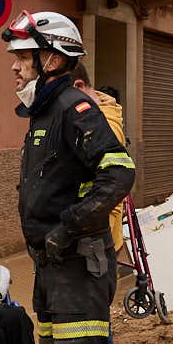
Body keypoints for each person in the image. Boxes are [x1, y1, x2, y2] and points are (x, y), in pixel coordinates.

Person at [2, 10, 135, 344]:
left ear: (50, 58)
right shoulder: (42, 112)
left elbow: (118, 171)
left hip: (79, 268)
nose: (14, 66)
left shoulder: (73, 107)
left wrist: (67, 227)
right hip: (52, 270)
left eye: (22, 56)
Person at [69, 62, 127, 255]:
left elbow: (111, 189)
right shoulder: (87, 120)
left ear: (78, 87)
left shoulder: (102, 127)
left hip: (94, 242)